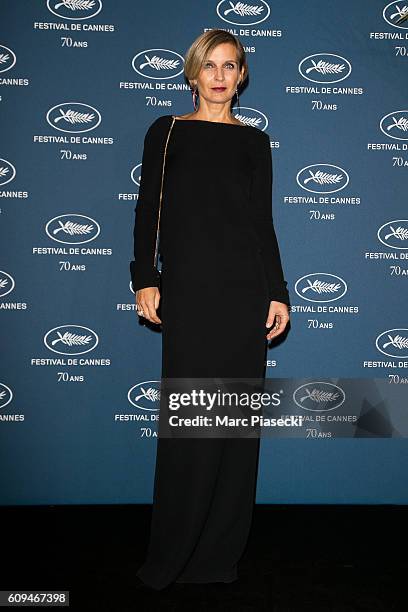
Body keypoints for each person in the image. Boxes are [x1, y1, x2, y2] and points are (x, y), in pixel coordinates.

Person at [130, 29, 290, 591]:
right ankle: (170, 556)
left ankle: (218, 559)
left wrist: (278, 292)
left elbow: (261, 226)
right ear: (193, 74)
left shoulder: (255, 142)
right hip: (191, 295)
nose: (220, 76)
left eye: (231, 66)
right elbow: (148, 209)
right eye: (210, 66)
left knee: (235, 426)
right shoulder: (167, 132)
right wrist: (145, 279)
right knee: (192, 421)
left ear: (241, 75)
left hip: (244, 295)